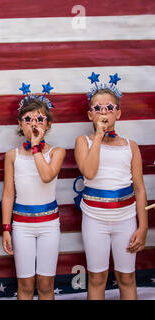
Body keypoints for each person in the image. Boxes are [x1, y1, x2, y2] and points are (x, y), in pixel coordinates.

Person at [74, 73, 148, 300]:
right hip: (95, 219)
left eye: (109, 107)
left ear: (119, 113)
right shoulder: (83, 141)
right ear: (90, 114)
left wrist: (143, 226)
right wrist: (98, 135)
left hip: (126, 219)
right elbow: (89, 172)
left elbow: (140, 188)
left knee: (127, 277)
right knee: (97, 277)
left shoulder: (130, 146)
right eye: (98, 108)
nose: (104, 112)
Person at [1, 82, 66, 300]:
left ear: (48, 124)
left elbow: (47, 176)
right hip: (22, 225)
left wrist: (36, 147)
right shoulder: (13, 155)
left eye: (39, 119)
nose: (33, 124)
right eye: (28, 119)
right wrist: (7, 228)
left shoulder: (57, 152)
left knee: (46, 284)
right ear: (20, 124)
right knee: (26, 284)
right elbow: (9, 194)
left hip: (49, 224)